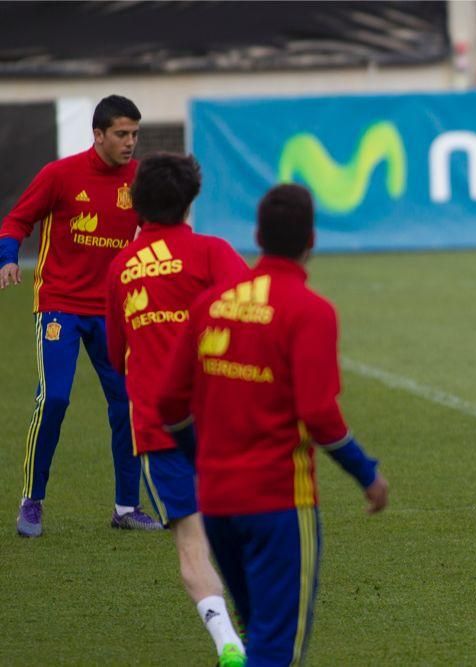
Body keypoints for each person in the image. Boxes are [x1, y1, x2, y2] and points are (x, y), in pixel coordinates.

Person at [157, 183, 389, 665]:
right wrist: (367, 474)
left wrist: (200, 457)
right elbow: (319, 413)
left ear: (258, 234)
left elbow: (169, 402)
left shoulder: (210, 304)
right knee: (276, 647)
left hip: (218, 502)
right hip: (279, 502)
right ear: (312, 240)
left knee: (257, 631)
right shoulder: (311, 311)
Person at [105, 153, 249, 667]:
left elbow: (115, 355)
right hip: (221, 415)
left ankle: (226, 638)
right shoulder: (213, 252)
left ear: (138, 203)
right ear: (191, 199)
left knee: (192, 541)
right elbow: (254, 317)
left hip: (157, 424)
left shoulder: (121, 267)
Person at [0, 94, 162, 537]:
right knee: (54, 398)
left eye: (135, 134)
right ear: (98, 135)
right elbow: (16, 220)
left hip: (112, 310)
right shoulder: (60, 174)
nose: (130, 143)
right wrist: (7, 257)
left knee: (127, 404)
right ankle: (32, 501)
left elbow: (155, 232)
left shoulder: (140, 180)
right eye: (122, 134)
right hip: (60, 304)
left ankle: (127, 507)